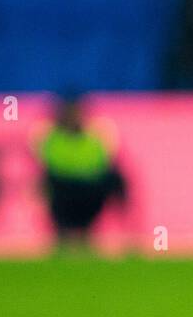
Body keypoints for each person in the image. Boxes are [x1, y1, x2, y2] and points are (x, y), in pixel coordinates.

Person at [36, 95, 127, 249]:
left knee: (112, 179)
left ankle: (123, 232)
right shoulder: (53, 139)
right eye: (70, 114)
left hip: (89, 193)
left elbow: (101, 165)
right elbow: (53, 167)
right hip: (63, 193)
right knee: (50, 184)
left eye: (76, 114)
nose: (74, 118)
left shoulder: (94, 139)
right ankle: (62, 236)